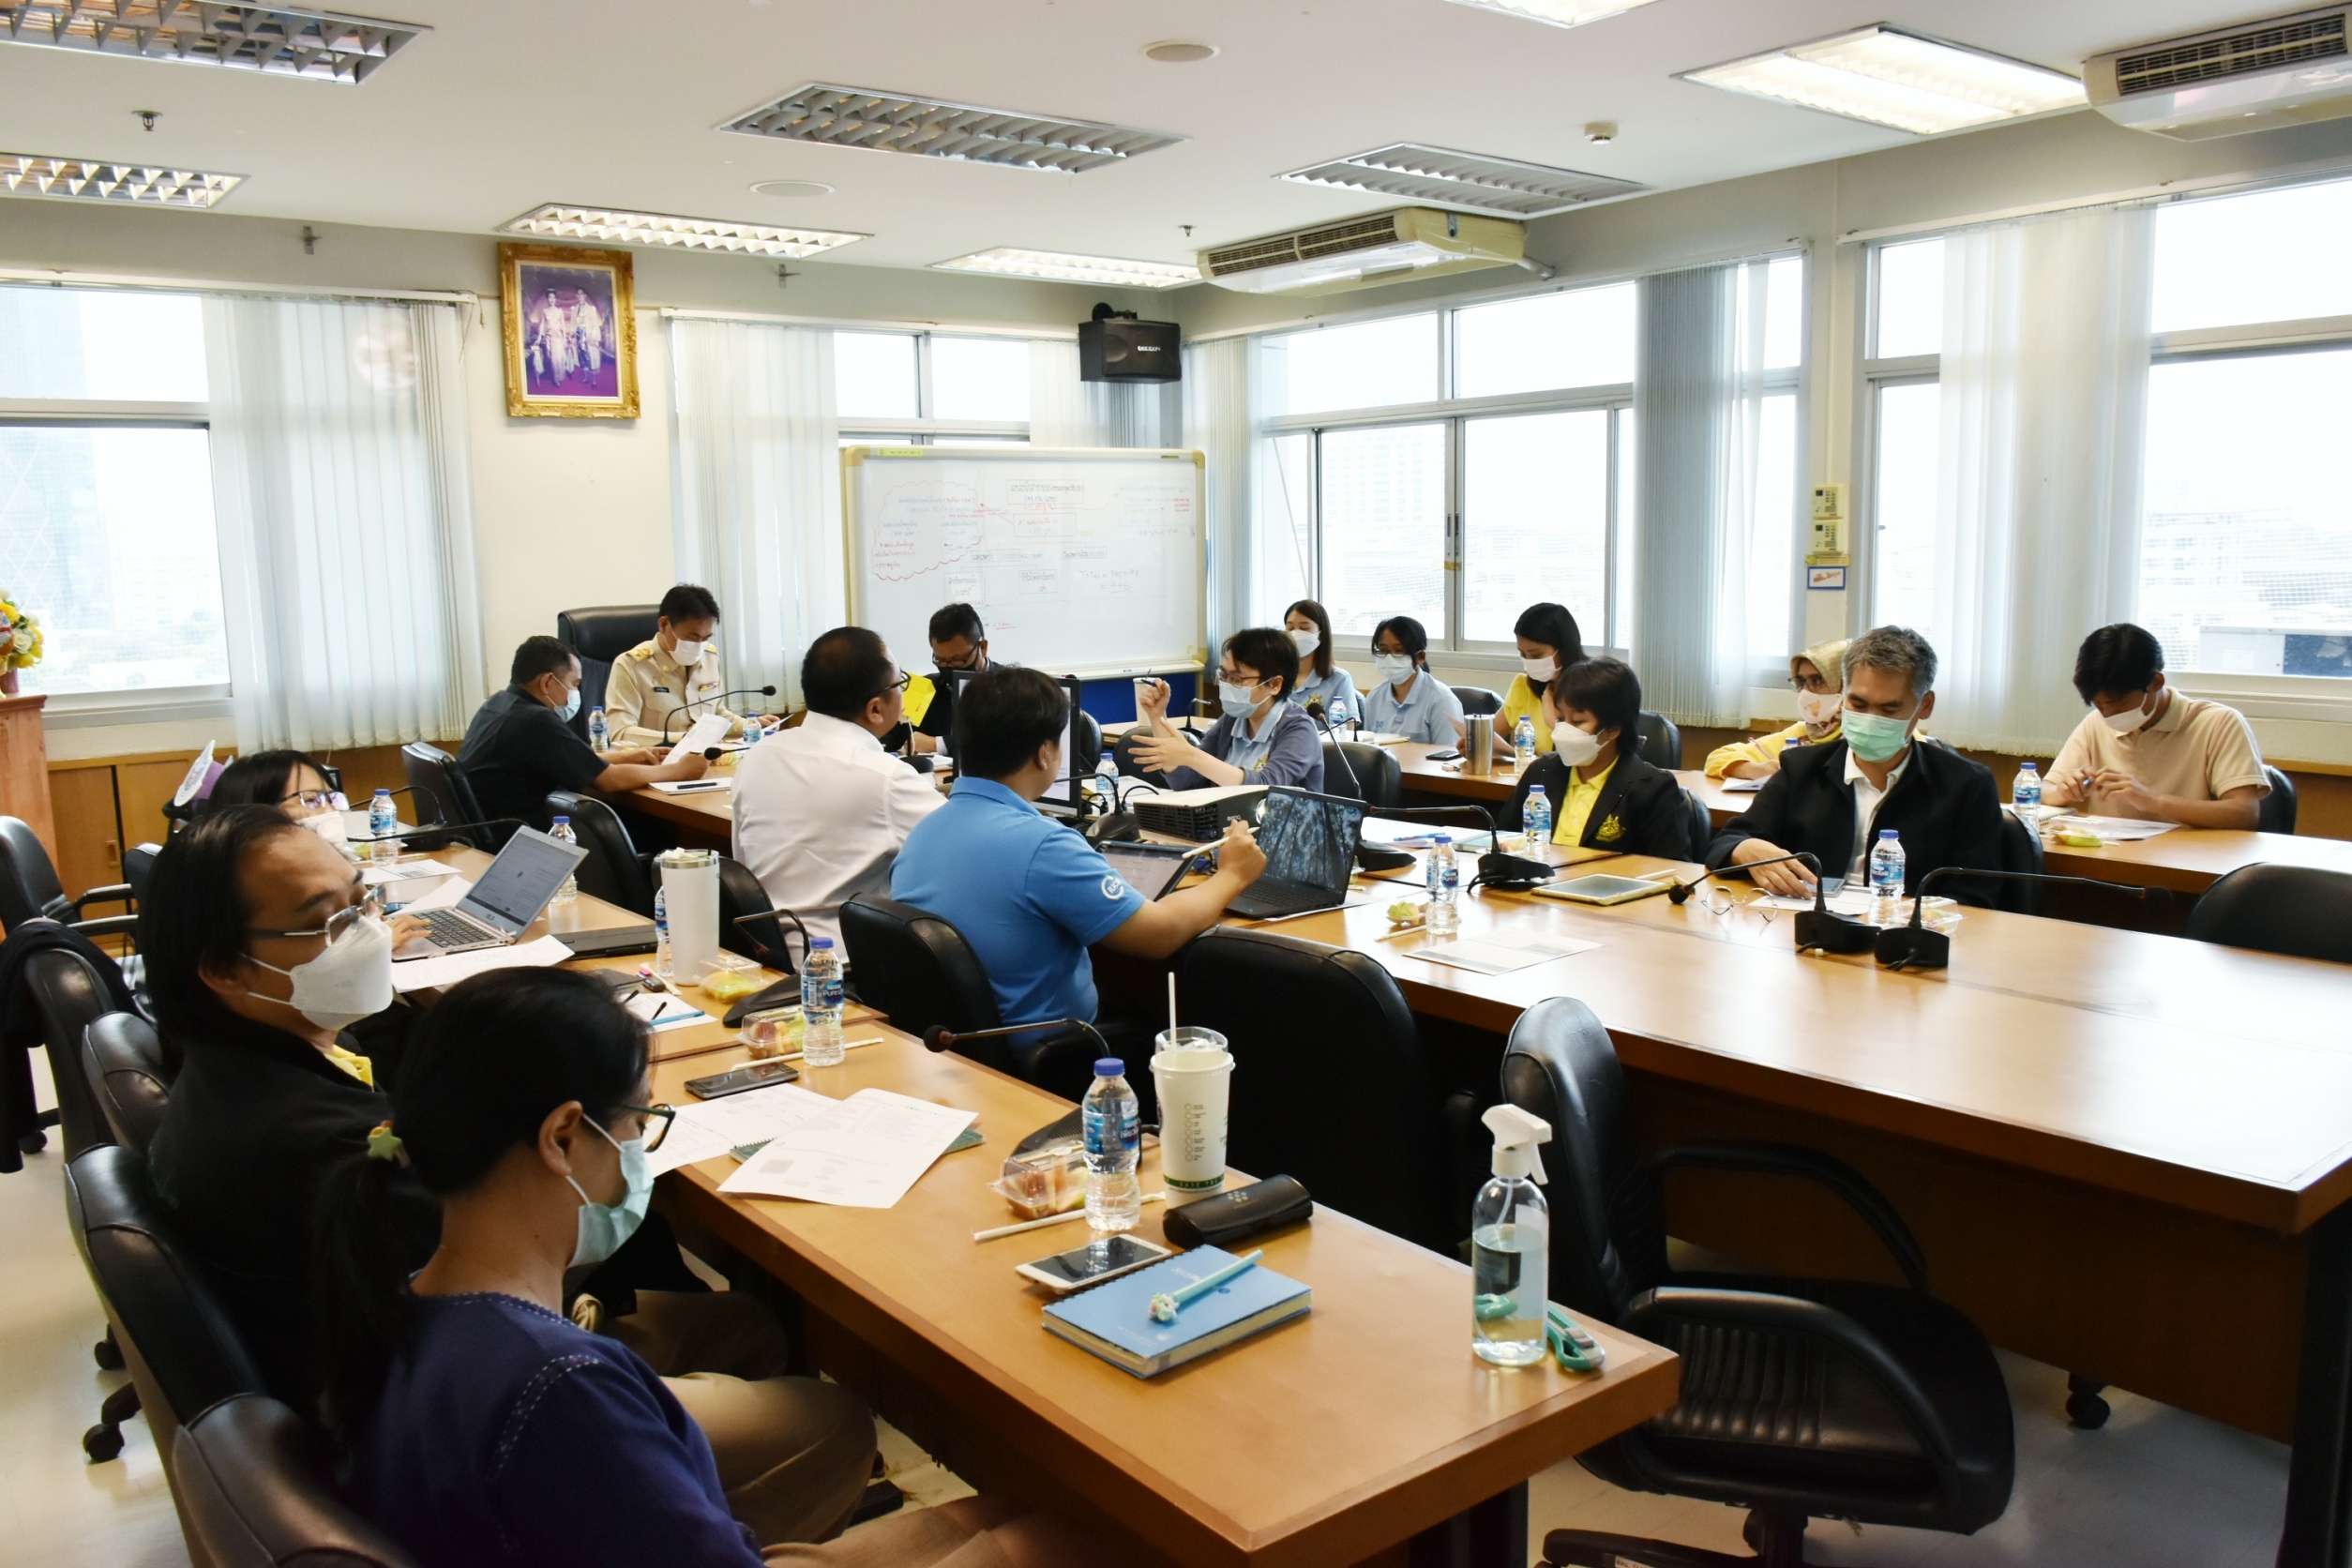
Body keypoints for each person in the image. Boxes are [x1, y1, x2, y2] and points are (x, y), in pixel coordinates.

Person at [141, 812, 875, 1547]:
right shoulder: (310, 1145)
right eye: (325, 921)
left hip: (414, 1390)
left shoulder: (233, 1079)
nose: (365, 931)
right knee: (827, 1421)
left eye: (361, 902)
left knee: (744, 1325)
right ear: (225, 968)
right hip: (442, 1418)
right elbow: (507, 1262)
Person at [318, 968, 1093, 1568]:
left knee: (1006, 1513)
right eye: (637, 1121)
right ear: (562, 1138)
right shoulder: (560, 1387)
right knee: (1063, 1539)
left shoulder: (413, 1304)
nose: (638, 1148)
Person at [891, 668, 1267, 1030]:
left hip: (955, 1045)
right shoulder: (1044, 846)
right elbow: (1160, 934)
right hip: (1054, 1048)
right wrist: (1232, 874)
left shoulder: (923, 833)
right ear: (1044, 753)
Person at [1705, 626, 2004, 906]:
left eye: (1888, 709)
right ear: (1842, 696)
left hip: (1907, 934)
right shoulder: (1801, 768)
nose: (1870, 720)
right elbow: (1727, 841)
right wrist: (1746, 850)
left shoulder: (1966, 785)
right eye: (1858, 705)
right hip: (1807, 927)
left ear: (1924, 706)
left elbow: (1977, 896)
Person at [733, 628, 945, 945]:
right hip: (845, 963)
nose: (903, 692)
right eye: (900, 683)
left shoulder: (759, 755)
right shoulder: (885, 778)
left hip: (768, 951)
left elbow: (743, 863)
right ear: (875, 709)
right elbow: (965, 844)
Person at [459, 635, 709, 833]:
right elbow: (608, 780)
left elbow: (569, 759)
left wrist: (628, 756)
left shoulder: (499, 704)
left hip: (490, 826)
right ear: (547, 682)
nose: (575, 693)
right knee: (654, 830)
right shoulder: (535, 720)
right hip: (520, 833)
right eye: (574, 684)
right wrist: (678, 771)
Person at [2042, 623, 2269, 829]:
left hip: (2191, 856)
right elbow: (2043, 791)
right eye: (2098, 705)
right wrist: (2063, 791)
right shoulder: (2095, 724)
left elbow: (2244, 813)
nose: (2108, 715)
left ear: (2156, 682)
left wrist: (2154, 801)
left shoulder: (2218, 723)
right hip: (2113, 854)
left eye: (2120, 705)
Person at [1500, 658, 1692, 859]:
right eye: (1560, 719)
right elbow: (1502, 840)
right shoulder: (1541, 772)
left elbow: (1672, 868)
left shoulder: (1653, 791)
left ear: (1613, 729)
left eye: (1577, 721)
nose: (1564, 730)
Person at [1130, 626, 1324, 792]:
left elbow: (1267, 788)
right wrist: (1157, 716)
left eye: (1237, 679)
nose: (1227, 685)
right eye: (1224, 676)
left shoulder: (1300, 729)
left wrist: (1191, 756)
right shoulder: (1232, 720)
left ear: (1274, 684)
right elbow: (1188, 783)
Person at [605, 585, 773, 749]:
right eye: (691, 638)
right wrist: (684, 739)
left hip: (706, 758)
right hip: (656, 761)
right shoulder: (631, 666)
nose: (698, 646)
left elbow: (717, 713)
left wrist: (751, 725)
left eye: (705, 638)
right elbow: (621, 733)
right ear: (664, 625)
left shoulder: (710, 657)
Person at [1705, 639, 1854, 780]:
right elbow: (1717, 758)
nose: (1805, 692)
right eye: (1801, 682)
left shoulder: (1858, 736)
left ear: (1846, 684)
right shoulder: (1804, 733)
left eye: (1817, 680)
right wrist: (1758, 770)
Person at [1495, 603, 1586, 760]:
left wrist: (1552, 720)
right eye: (1523, 654)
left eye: (1536, 655)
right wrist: (1475, 743)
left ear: (1564, 649)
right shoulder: (1524, 686)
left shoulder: (1592, 688)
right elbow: (1490, 735)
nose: (1529, 661)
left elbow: (1586, 756)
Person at [1360, 615, 1467, 747]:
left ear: (1420, 657)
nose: (1389, 658)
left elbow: (1449, 754)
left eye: (1399, 651)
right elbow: (1369, 750)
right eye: (1383, 650)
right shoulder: (1374, 698)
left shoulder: (1441, 700)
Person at [907, 602, 993, 757]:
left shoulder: (1012, 688)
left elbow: (1006, 742)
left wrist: (938, 744)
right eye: (940, 660)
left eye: (958, 660)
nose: (949, 667)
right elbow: (887, 737)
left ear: (983, 648)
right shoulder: (923, 689)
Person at [1283, 599, 1358, 728]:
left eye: (1304, 628)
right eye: (1290, 628)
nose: (1295, 634)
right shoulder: (1275, 678)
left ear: (1321, 634)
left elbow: (1348, 731)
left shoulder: (1339, 679)